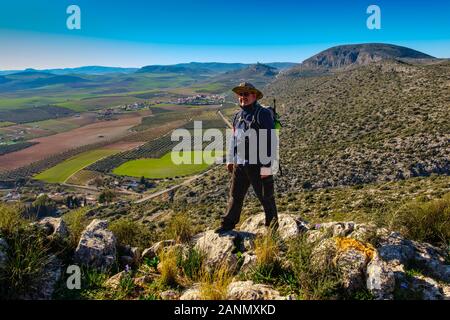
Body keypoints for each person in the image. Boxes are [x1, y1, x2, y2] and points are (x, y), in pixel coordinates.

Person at [215, 82, 278, 233]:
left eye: (246, 94)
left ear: (254, 96)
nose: (243, 97)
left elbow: (270, 140)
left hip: (259, 164)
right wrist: (230, 159)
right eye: (241, 94)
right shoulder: (238, 116)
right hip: (240, 163)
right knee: (235, 196)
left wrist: (267, 166)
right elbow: (234, 138)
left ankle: (273, 229)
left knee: (266, 198)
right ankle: (228, 224)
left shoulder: (263, 114)